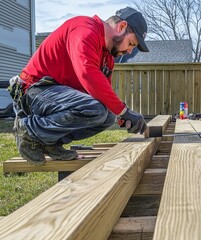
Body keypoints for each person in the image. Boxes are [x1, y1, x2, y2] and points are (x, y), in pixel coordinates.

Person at [8, 7, 148, 166]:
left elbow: (101, 93)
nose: (129, 51)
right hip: (33, 91)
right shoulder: (85, 29)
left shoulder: (107, 57)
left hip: (52, 96)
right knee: (95, 109)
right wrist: (124, 111)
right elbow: (87, 73)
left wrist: (121, 115)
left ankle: (49, 142)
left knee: (107, 115)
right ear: (121, 27)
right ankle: (29, 131)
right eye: (131, 43)